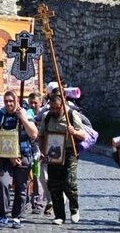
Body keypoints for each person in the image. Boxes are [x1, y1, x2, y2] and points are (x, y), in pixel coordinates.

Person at [38, 93, 86, 225]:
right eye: (52, 108)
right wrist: (42, 151)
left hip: (69, 152)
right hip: (52, 154)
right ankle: (59, 215)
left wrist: (74, 132)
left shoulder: (71, 115)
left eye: (56, 108)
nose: (54, 111)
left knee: (68, 183)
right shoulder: (47, 117)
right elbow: (41, 135)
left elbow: (83, 135)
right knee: (54, 185)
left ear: (62, 105)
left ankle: (74, 208)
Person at [0, 91, 38, 229]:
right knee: (2, 182)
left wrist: (23, 119)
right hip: (6, 157)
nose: (9, 104)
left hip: (24, 155)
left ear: (16, 101)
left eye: (11, 101)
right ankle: (3, 215)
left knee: (21, 187)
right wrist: (11, 156)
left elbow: (34, 134)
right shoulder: (0, 115)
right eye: (6, 101)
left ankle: (17, 217)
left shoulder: (26, 113)